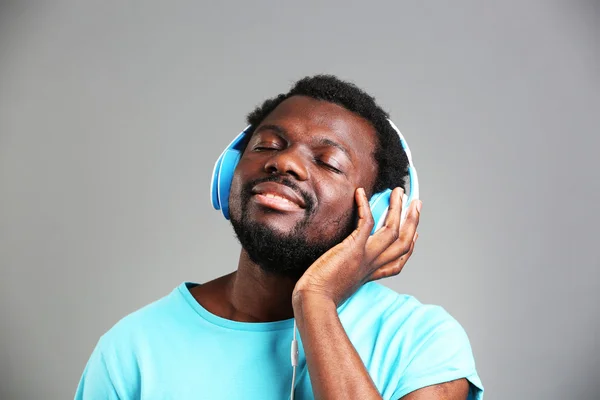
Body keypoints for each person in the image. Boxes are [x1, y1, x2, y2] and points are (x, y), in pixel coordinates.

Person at [75, 75, 484, 399]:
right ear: (228, 174)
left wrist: (316, 302)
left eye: (328, 162)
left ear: (377, 214)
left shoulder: (423, 342)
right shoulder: (133, 347)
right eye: (268, 144)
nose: (284, 161)